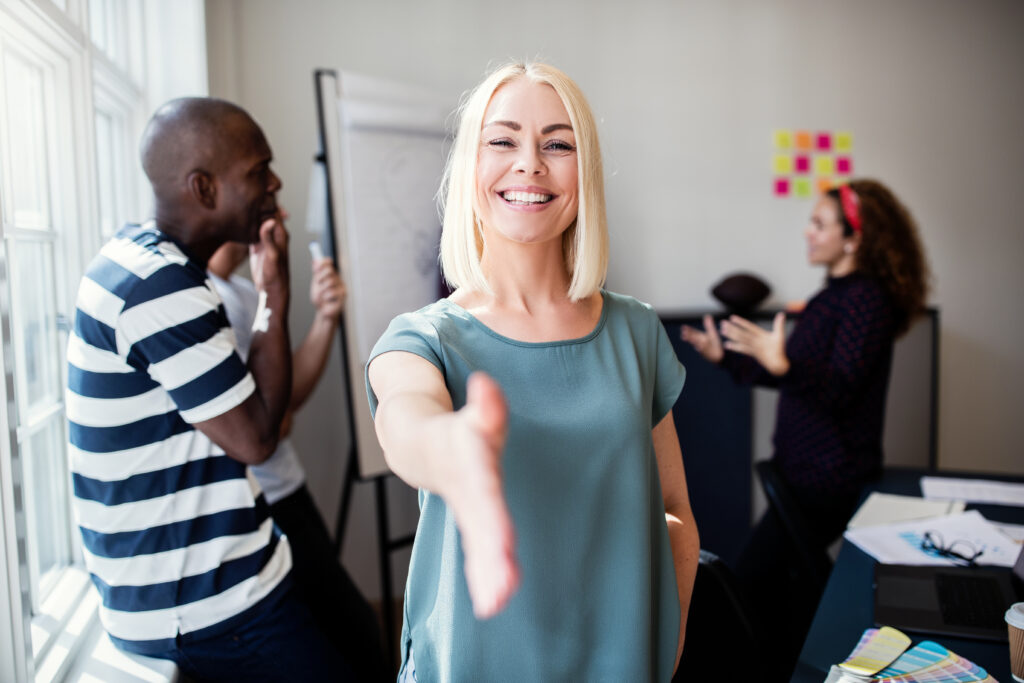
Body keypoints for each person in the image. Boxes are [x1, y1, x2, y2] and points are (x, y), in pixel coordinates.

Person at [365, 62, 700, 682]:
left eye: (558, 144)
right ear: (470, 166)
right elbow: (407, 421)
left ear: (585, 172)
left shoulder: (636, 331)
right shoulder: (423, 338)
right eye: (502, 140)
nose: (529, 164)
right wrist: (454, 449)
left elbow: (674, 509)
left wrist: (666, 640)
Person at [66, 97, 357, 681]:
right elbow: (258, 438)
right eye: (258, 170)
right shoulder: (163, 287)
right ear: (204, 188)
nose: (275, 183)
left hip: (191, 590)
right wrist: (275, 292)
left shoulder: (143, 261)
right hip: (207, 604)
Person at [681, 178, 930, 676]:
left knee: (744, 589)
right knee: (776, 596)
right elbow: (794, 379)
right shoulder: (833, 298)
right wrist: (727, 359)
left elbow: (838, 389)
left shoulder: (866, 301)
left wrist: (785, 366)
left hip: (827, 482)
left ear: (854, 239)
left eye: (820, 223)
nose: (807, 232)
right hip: (801, 477)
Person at [207, 235, 390, 682]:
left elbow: (287, 396)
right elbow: (275, 423)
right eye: (269, 201)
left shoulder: (242, 291)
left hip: (287, 489)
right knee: (354, 641)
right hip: (261, 505)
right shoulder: (209, 300)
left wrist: (326, 318)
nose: (282, 216)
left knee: (356, 635)